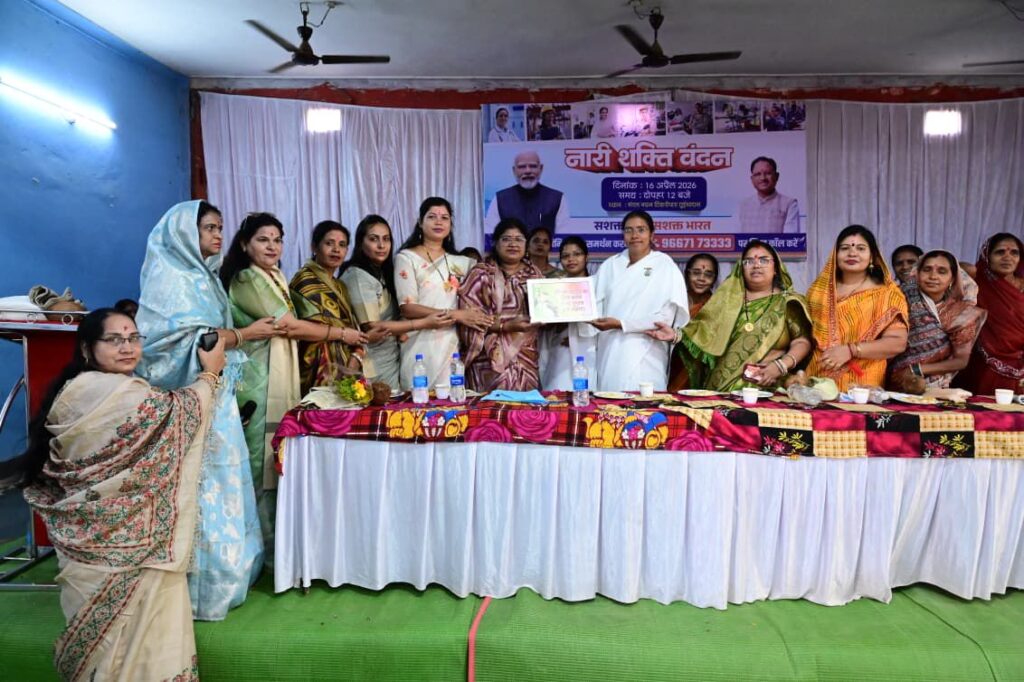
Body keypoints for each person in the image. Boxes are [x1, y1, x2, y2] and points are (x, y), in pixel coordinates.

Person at [20, 308, 224, 681]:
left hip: (96, 548)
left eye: (133, 338)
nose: (127, 347)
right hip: (138, 552)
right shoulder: (112, 392)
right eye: (114, 340)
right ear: (87, 348)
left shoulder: (72, 392)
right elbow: (182, 412)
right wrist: (210, 374)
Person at [135, 200, 265, 621]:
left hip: (216, 396)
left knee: (223, 482)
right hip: (187, 400)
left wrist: (227, 341)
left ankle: (230, 573)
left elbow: (207, 337)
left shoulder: (205, 277)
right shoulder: (172, 278)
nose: (217, 235)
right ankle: (199, 588)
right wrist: (243, 335)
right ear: (183, 234)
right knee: (199, 486)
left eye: (220, 227)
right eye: (209, 227)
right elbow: (176, 341)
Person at [221, 212, 354, 554]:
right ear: (244, 244)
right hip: (257, 380)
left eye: (277, 240)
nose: (272, 246)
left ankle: (278, 545)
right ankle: (257, 550)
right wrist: (341, 334)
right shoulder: (248, 278)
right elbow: (290, 326)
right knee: (259, 461)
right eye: (263, 240)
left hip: (279, 372)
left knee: (277, 456)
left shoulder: (275, 276)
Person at [652, 241, 812, 392]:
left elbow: (802, 341)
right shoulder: (726, 301)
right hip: (721, 389)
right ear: (741, 268)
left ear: (776, 267)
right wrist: (676, 335)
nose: (756, 265)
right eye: (748, 261)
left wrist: (781, 365)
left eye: (764, 260)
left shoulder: (788, 302)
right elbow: (703, 335)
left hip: (767, 386)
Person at [340, 215, 453, 389]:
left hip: (390, 355)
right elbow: (372, 326)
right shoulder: (358, 276)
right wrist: (424, 322)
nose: (381, 245)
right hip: (371, 360)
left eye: (386, 239)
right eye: (373, 239)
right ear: (361, 242)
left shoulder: (382, 272)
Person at [395, 198, 493, 388]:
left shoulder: (464, 263)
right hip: (419, 342)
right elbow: (407, 308)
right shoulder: (406, 258)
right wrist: (456, 315)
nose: (438, 222)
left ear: (450, 224)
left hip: (452, 343)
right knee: (418, 399)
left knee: (451, 399)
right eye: (432, 217)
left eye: (444, 218)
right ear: (420, 222)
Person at [589, 210, 688, 391]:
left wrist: (621, 324)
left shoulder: (665, 266)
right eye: (629, 230)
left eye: (641, 230)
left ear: (652, 234)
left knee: (645, 404)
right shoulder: (610, 265)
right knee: (609, 402)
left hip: (647, 350)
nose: (635, 235)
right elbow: (589, 301)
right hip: (610, 349)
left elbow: (664, 319)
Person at [806, 225, 909, 391]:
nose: (852, 253)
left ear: (872, 257)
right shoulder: (818, 292)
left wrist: (851, 350)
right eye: (845, 248)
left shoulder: (887, 295)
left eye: (861, 248)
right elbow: (805, 338)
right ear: (835, 255)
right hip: (815, 381)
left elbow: (897, 343)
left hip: (861, 384)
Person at [289, 220, 382, 394]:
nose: (336, 250)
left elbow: (350, 326)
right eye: (329, 243)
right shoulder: (304, 280)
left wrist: (357, 353)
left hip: (346, 363)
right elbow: (306, 328)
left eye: (342, 245)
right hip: (317, 366)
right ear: (314, 247)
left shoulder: (340, 286)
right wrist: (346, 335)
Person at [458, 218, 545, 391]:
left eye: (519, 239)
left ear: (526, 245)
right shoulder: (480, 274)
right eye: (506, 239)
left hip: (525, 357)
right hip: (486, 360)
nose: (513, 244)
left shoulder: (535, 275)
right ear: (495, 243)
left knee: (524, 406)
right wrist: (505, 326)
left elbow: (546, 311)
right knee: (488, 406)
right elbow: (468, 319)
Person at [888, 250, 986, 390]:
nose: (933, 276)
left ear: (952, 278)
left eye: (942, 271)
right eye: (927, 270)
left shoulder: (959, 313)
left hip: (935, 386)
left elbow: (961, 360)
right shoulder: (899, 300)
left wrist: (916, 369)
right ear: (917, 273)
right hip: (892, 380)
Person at [958, 233, 1024, 394]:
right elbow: (950, 268)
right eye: (1000, 252)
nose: (1007, 257)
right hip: (983, 362)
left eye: (1014, 253)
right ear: (987, 256)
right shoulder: (975, 282)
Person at [540, 236, 597, 390]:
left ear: (586, 257)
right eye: (565, 256)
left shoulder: (597, 285)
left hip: (589, 349)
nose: (571, 259)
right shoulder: (553, 288)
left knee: (588, 395)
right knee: (557, 394)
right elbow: (547, 325)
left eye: (577, 254)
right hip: (560, 349)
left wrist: (576, 336)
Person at [666, 253, 720, 390]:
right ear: (687, 274)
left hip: (701, 367)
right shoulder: (675, 302)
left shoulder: (716, 307)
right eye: (696, 273)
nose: (701, 278)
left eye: (708, 275)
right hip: (671, 362)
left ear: (714, 279)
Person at [484, 150, 570, 233]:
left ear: (541, 168)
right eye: (522, 167)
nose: (528, 171)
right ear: (514, 170)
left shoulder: (557, 199)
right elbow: (492, 235)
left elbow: (562, 237)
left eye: (533, 166)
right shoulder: (500, 199)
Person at [737, 156, 800, 234]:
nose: (763, 178)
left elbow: (791, 237)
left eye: (768, 173)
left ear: (776, 176)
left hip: (777, 243)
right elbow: (734, 237)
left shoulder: (789, 204)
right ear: (752, 179)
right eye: (758, 174)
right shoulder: (743, 205)